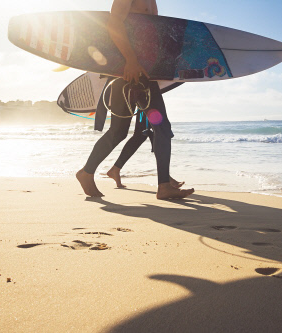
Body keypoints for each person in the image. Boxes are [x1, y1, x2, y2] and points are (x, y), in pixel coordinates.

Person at [76, 0, 194, 199]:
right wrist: (130, 61)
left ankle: (87, 172)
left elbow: (151, 33)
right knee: (152, 128)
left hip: (143, 72)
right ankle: (163, 186)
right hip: (128, 71)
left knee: (125, 131)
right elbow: (114, 23)